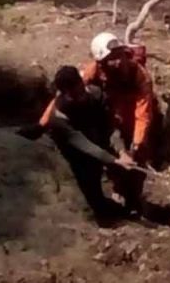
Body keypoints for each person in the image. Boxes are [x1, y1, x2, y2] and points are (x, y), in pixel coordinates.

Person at [19, 65, 137, 223]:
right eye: (74, 94)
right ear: (65, 93)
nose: (79, 95)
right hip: (72, 152)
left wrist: (122, 152)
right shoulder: (59, 117)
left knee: (109, 172)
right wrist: (113, 160)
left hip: (94, 139)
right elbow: (81, 142)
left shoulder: (96, 95)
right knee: (88, 182)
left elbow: (110, 127)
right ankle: (101, 213)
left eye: (79, 88)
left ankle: (119, 205)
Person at [81, 32, 158, 210]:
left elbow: (143, 114)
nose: (118, 62)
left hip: (135, 121)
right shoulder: (93, 72)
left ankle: (133, 200)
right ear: (101, 63)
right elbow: (69, 92)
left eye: (119, 56)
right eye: (112, 59)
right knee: (113, 154)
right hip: (110, 117)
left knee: (139, 157)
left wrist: (136, 145)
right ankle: (116, 189)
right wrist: (44, 122)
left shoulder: (140, 76)